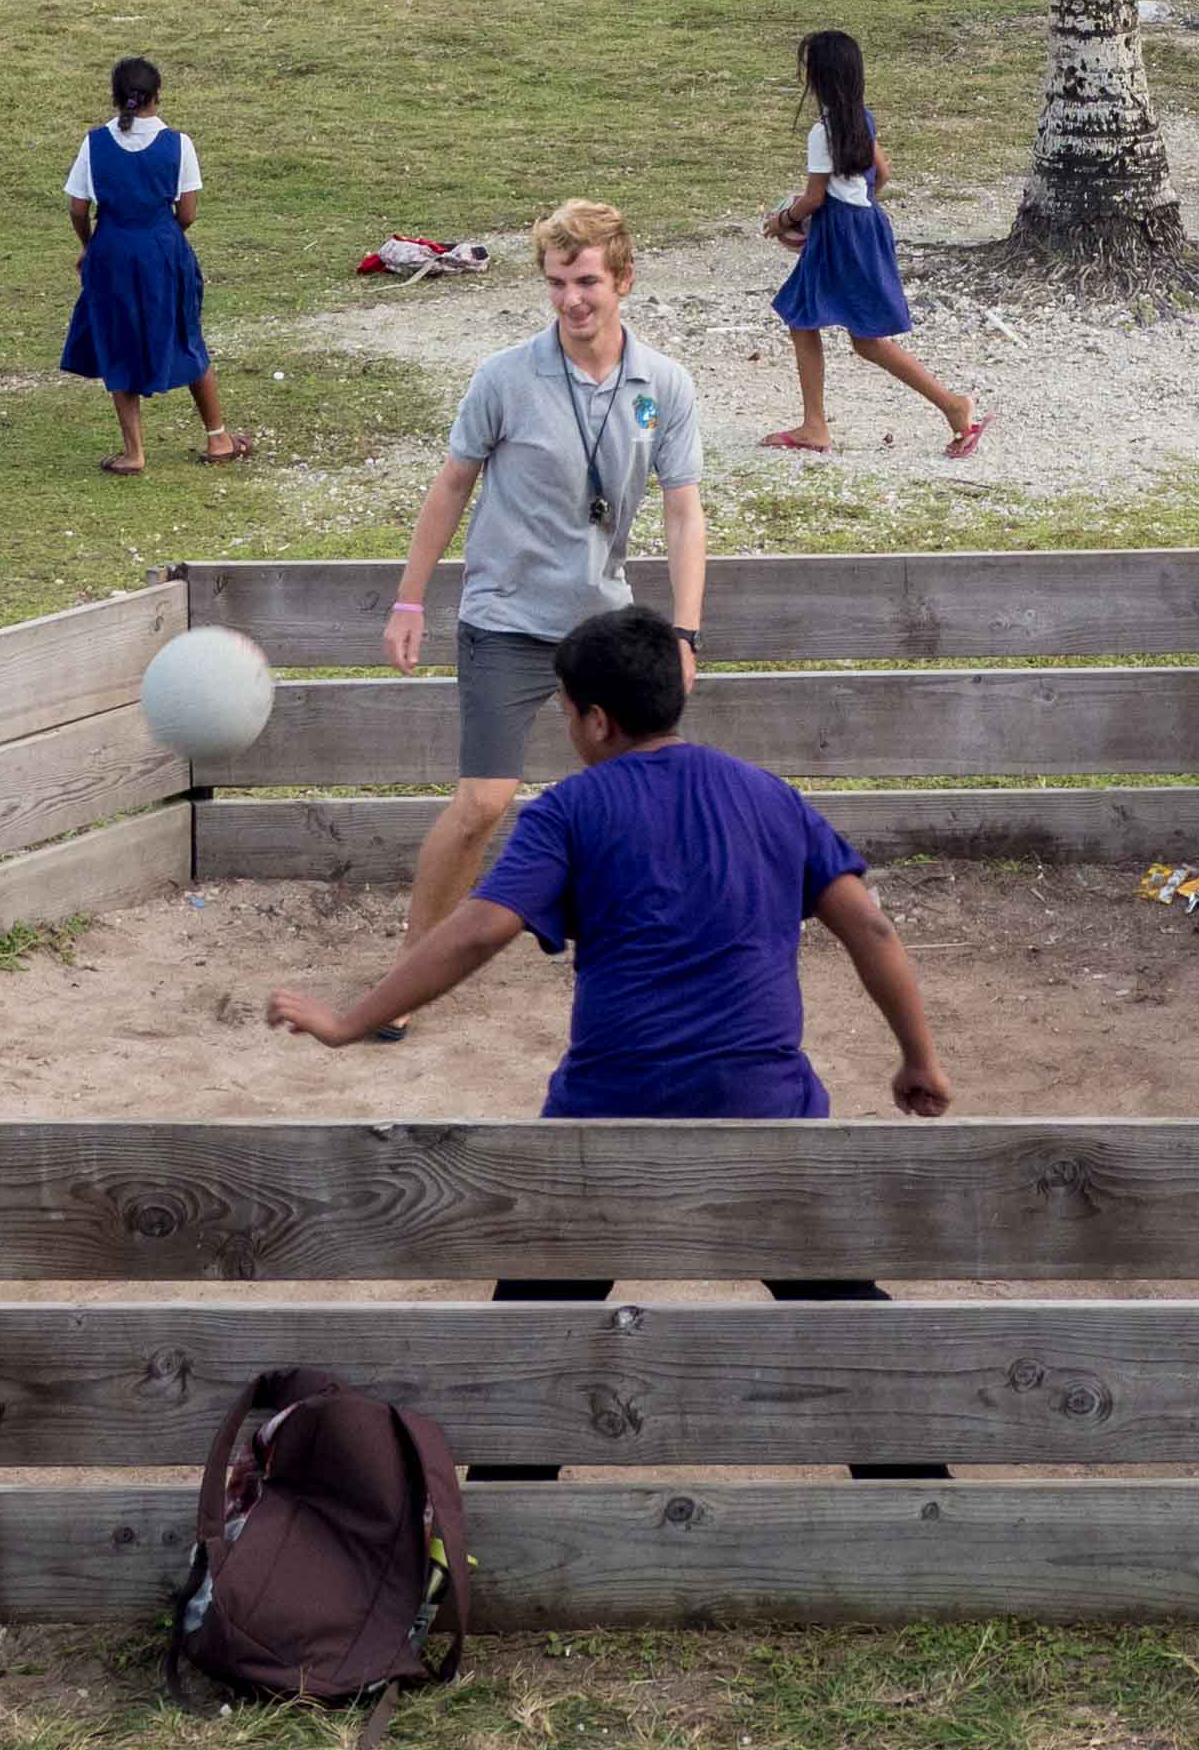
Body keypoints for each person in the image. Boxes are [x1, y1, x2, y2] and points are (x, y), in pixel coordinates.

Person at [268, 600, 950, 1481]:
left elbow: (478, 931)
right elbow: (871, 928)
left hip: (610, 1122)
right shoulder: (768, 795)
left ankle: (504, 1503)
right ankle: (922, 1486)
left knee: (537, 1321)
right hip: (761, 1113)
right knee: (831, 1298)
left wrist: (351, 1021)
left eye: (564, 712)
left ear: (595, 720)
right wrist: (918, 1057)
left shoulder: (570, 809)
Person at [381, 203, 705, 959]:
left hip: (603, 625)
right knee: (483, 803)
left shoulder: (663, 384)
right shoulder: (505, 376)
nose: (571, 300)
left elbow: (684, 513)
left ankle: (643, 944)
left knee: (646, 792)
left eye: (587, 281)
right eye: (557, 283)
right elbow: (451, 485)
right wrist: (409, 600)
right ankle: (416, 963)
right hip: (507, 620)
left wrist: (684, 635)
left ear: (623, 279)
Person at [758, 22, 987, 460]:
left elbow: (814, 197)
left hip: (839, 237)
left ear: (819, 77)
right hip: (867, 226)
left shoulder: (822, 132)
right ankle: (817, 423)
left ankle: (952, 406)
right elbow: (881, 173)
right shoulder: (862, 118)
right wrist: (859, 204)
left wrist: (781, 221)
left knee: (858, 336)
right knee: (810, 319)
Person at [60, 52, 253, 478]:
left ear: (116, 97)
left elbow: (77, 208)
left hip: (112, 251)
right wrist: (162, 235)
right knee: (186, 335)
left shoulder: (94, 143)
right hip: (163, 251)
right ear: (156, 96)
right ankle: (218, 437)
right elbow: (188, 213)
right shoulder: (178, 145)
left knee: (118, 341)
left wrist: (91, 245)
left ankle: (134, 452)